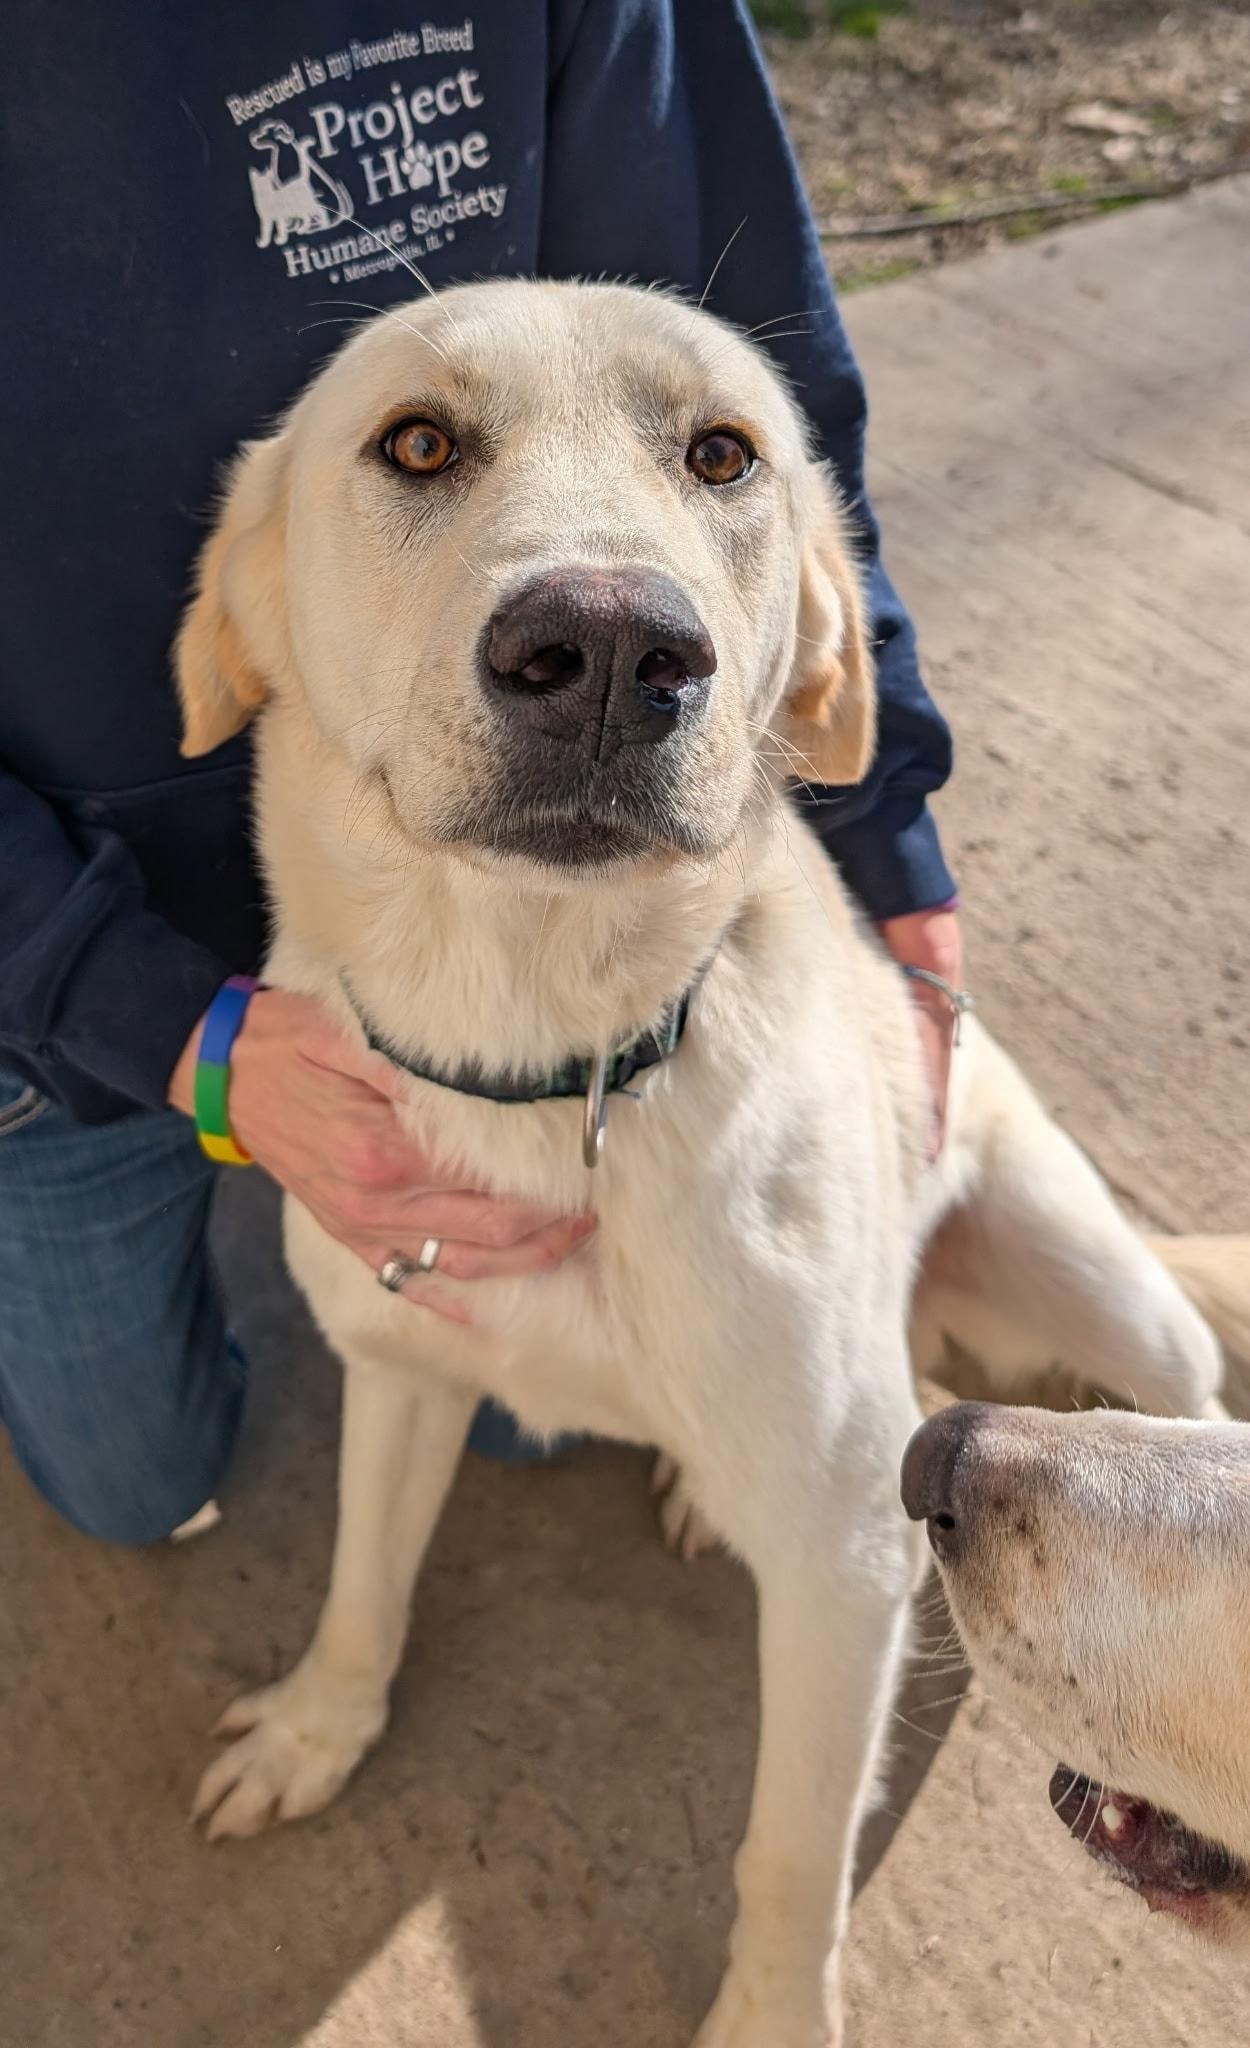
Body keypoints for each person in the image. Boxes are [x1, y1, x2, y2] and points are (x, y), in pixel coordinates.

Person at [0, 0, 962, 1542]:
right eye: (427, 449)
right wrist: (146, 1021)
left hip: (425, 905)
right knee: (141, 1495)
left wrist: (887, 830)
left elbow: (755, 387)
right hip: (43, 959)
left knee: (533, 1403)